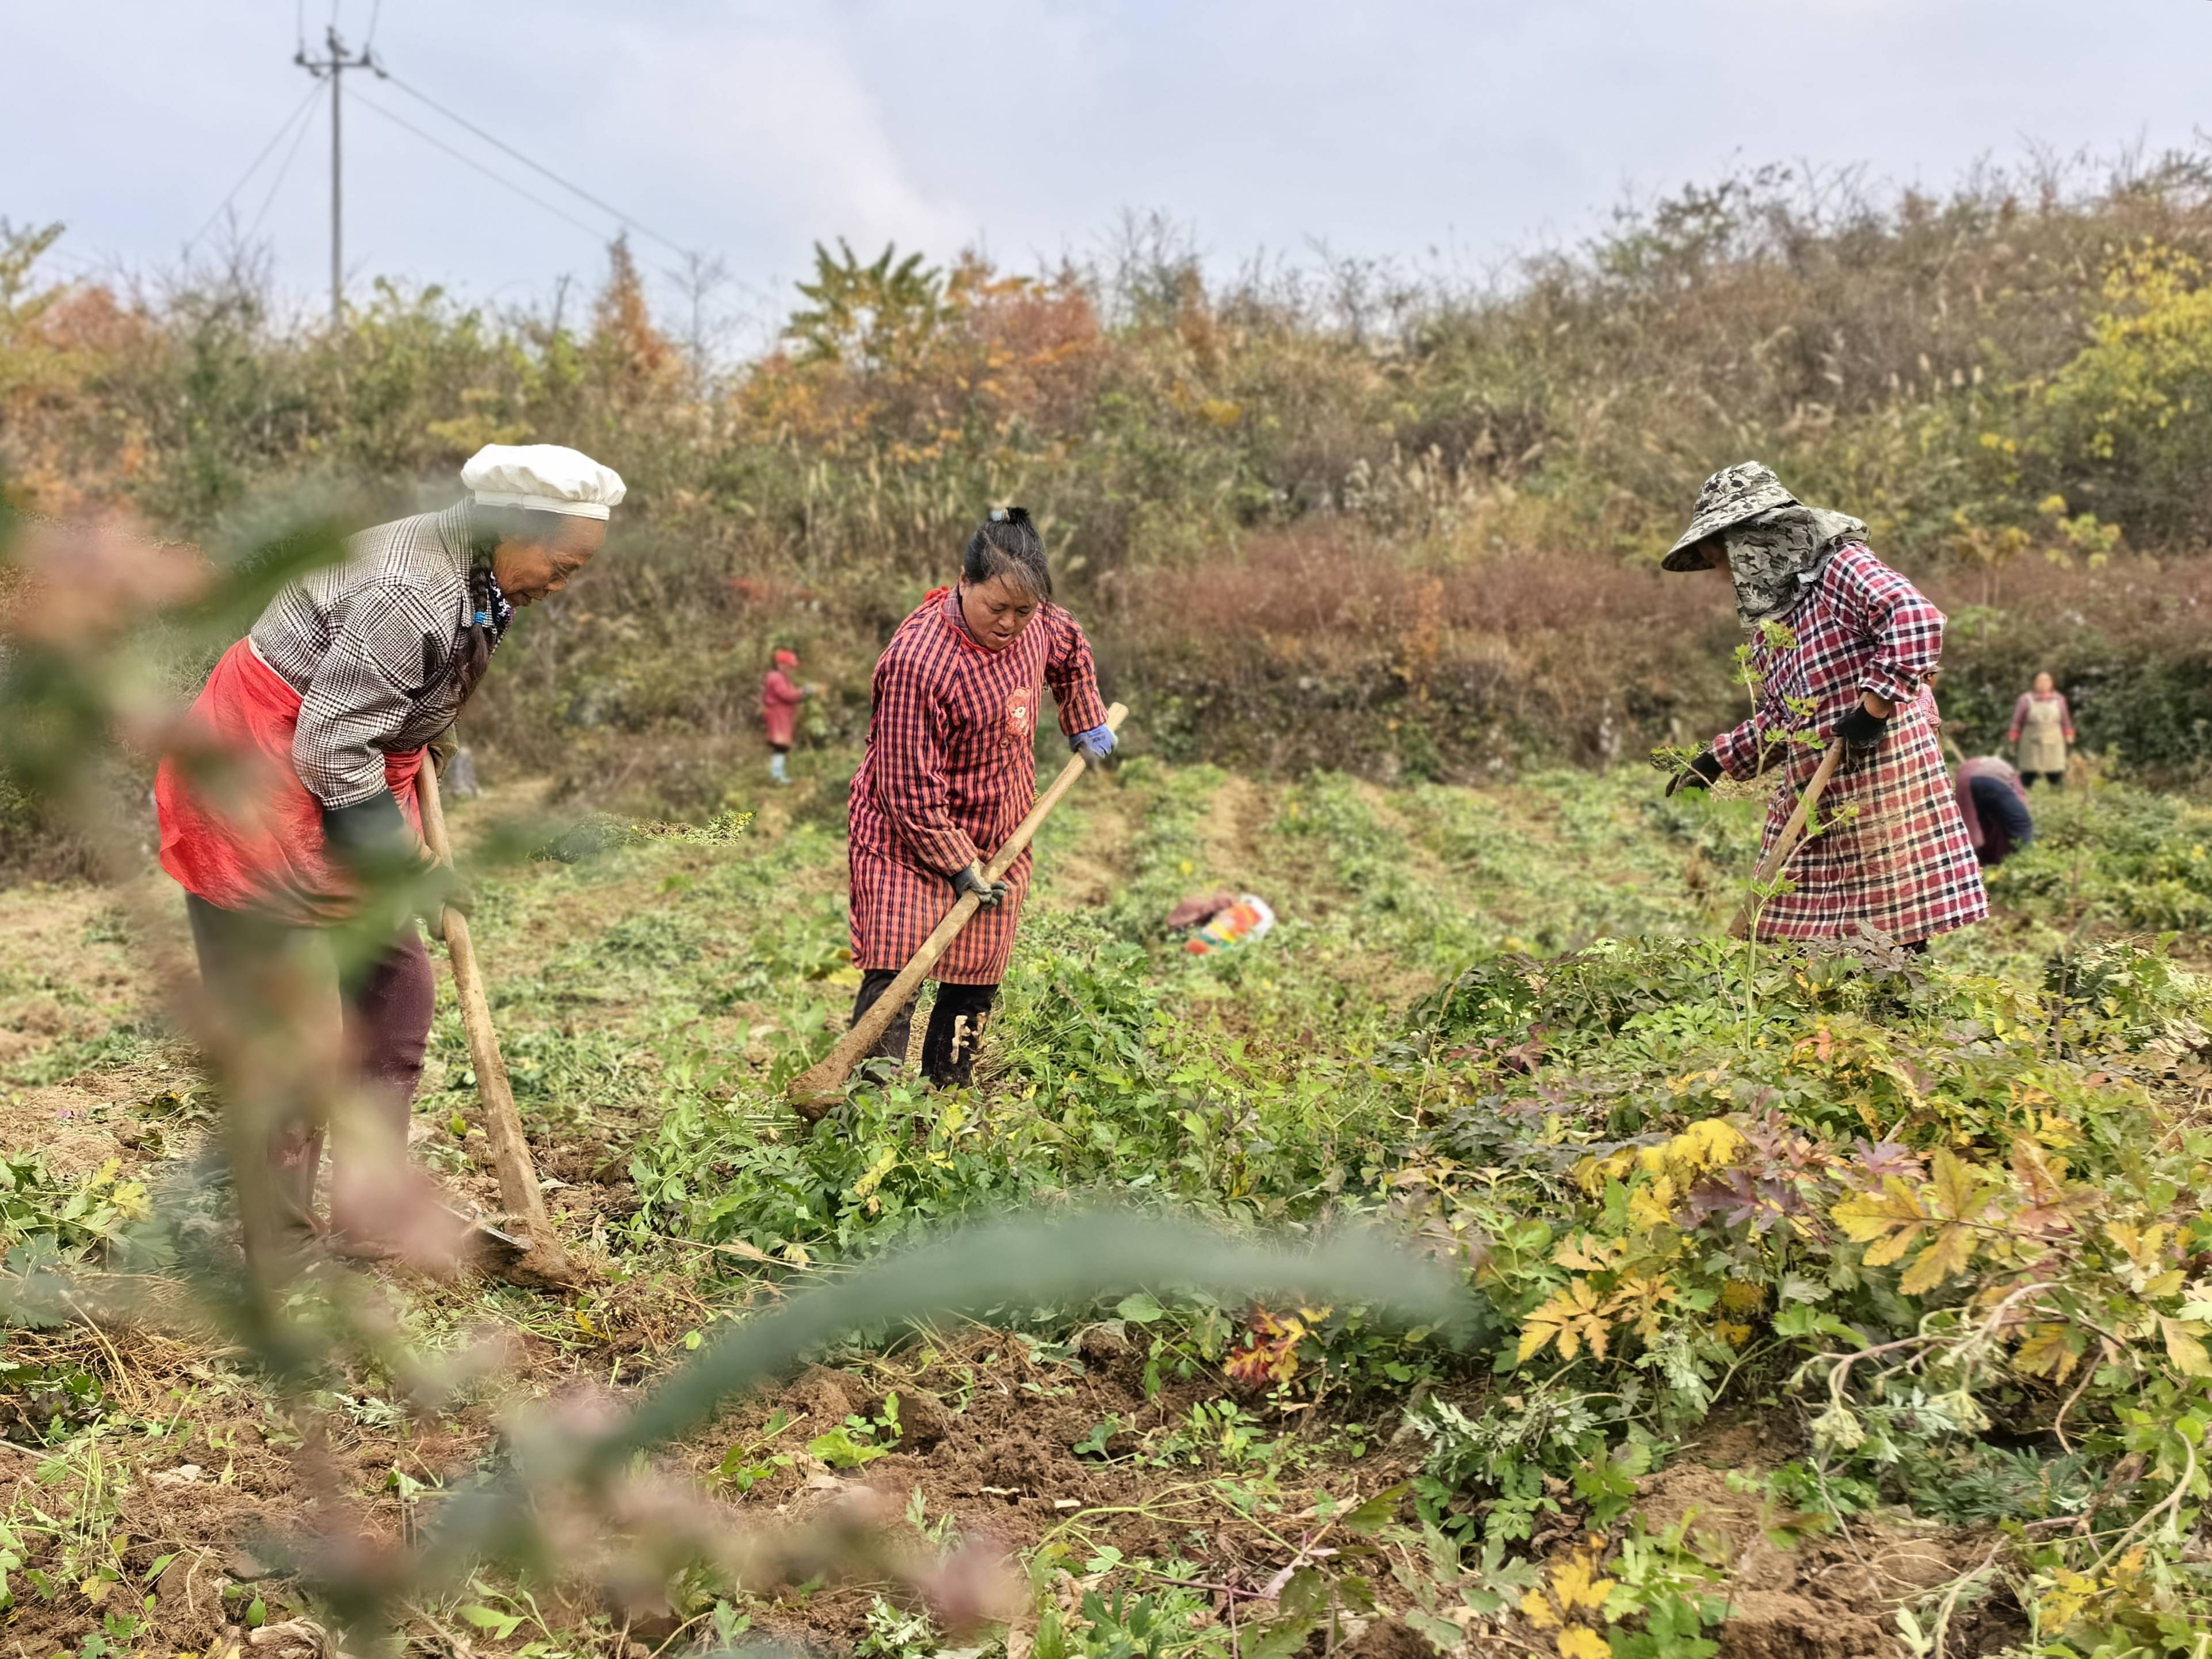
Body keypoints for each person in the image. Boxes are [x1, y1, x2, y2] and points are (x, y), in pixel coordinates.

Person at [155, 443, 624, 1270]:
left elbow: (409, 688)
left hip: (341, 771)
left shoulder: (483, 573)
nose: (560, 585)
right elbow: (333, 748)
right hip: (261, 778)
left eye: (575, 573)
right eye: (560, 565)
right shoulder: (406, 587)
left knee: (396, 999)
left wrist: (426, 729)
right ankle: (283, 1254)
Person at [1661, 462, 1987, 949]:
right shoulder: (1777, 619)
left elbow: (1914, 619)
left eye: (1721, 557)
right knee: (1795, 914)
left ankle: (1901, 1010)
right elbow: (1782, 716)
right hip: (1818, 780)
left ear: (1753, 539)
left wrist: (1871, 709)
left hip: (1880, 769)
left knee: (1889, 915)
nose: (1723, 574)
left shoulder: (1840, 568)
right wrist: (1718, 760)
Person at [845, 507, 1112, 1090]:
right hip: (905, 838)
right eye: (998, 608)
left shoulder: (1038, 623)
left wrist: (1084, 719)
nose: (1012, 623)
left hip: (1000, 827)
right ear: (963, 582)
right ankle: (867, 1108)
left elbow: (1068, 649)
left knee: (975, 973)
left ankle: (946, 1098)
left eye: (1024, 610)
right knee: (897, 971)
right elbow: (907, 787)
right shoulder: (918, 662)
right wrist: (955, 861)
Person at [1954, 756, 2034, 868]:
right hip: (1991, 780)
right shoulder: (2013, 777)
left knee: (1974, 827)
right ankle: (2026, 863)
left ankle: (1976, 866)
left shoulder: (1977, 764)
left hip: (1964, 781)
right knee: (2021, 824)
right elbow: (2021, 804)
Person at [2008, 671, 2075, 788]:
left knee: (2055, 772)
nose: (2044, 684)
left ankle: (2058, 798)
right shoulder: (2025, 699)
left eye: (2047, 681)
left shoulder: (2059, 699)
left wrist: (2068, 734)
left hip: (2054, 741)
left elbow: (2065, 720)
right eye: (2040, 681)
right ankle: (2021, 797)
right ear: (2035, 683)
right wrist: (2014, 735)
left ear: (2052, 683)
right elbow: (2017, 720)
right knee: (2028, 773)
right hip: (2031, 742)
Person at [761, 648, 812, 786]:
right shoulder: (776, 678)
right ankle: (777, 776)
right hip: (778, 716)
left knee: (781, 746)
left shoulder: (780, 677)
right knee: (780, 745)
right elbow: (786, 695)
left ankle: (778, 775)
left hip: (782, 715)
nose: (791, 670)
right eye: (790, 667)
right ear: (782, 665)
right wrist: (802, 692)